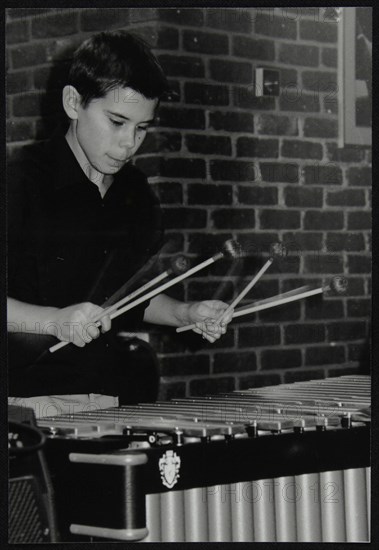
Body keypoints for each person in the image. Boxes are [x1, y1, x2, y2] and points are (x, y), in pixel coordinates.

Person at [7, 30, 234, 417]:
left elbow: (129, 298)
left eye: (141, 128)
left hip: (108, 401)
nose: (129, 143)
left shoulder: (135, 193)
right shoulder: (18, 183)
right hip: (23, 404)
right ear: (73, 102)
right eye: (116, 122)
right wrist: (53, 320)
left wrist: (186, 313)